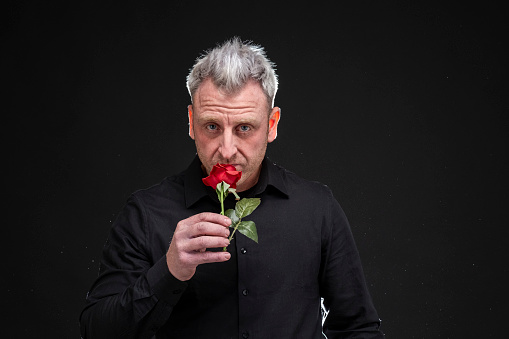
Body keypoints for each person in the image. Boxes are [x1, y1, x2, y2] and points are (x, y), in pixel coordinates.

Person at [80, 37, 384, 338]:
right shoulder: (145, 213)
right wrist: (169, 271)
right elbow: (96, 332)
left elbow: (358, 329)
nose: (226, 150)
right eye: (212, 126)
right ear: (190, 122)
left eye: (244, 128)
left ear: (272, 124)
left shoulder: (317, 207)